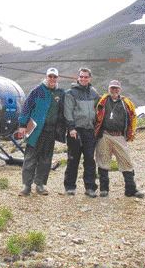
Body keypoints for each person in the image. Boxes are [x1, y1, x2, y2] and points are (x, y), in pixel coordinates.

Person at [17, 67, 65, 196]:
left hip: (51, 131)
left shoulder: (60, 93)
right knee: (30, 158)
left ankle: (40, 185)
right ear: (46, 77)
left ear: (57, 78)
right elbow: (26, 108)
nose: (52, 79)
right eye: (50, 76)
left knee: (46, 159)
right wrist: (22, 125)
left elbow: (63, 111)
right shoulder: (37, 91)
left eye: (54, 77)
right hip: (34, 130)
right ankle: (26, 186)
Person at [94, 80, 144, 198]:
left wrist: (130, 133)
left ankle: (130, 190)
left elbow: (133, 116)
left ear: (120, 89)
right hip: (104, 135)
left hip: (119, 136)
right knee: (103, 162)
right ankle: (104, 190)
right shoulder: (103, 100)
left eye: (116, 88)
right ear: (108, 89)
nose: (114, 90)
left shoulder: (126, 103)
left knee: (126, 162)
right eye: (112, 88)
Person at [63, 68, 100, 197]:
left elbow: (99, 111)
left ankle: (90, 188)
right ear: (78, 78)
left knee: (90, 160)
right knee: (73, 159)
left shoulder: (94, 93)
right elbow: (68, 111)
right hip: (75, 130)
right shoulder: (70, 93)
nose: (83, 79)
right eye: (81, 77)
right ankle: (70, 186)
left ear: (90, 78)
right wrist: (71, 128)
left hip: (90, 131)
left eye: (86, 77)